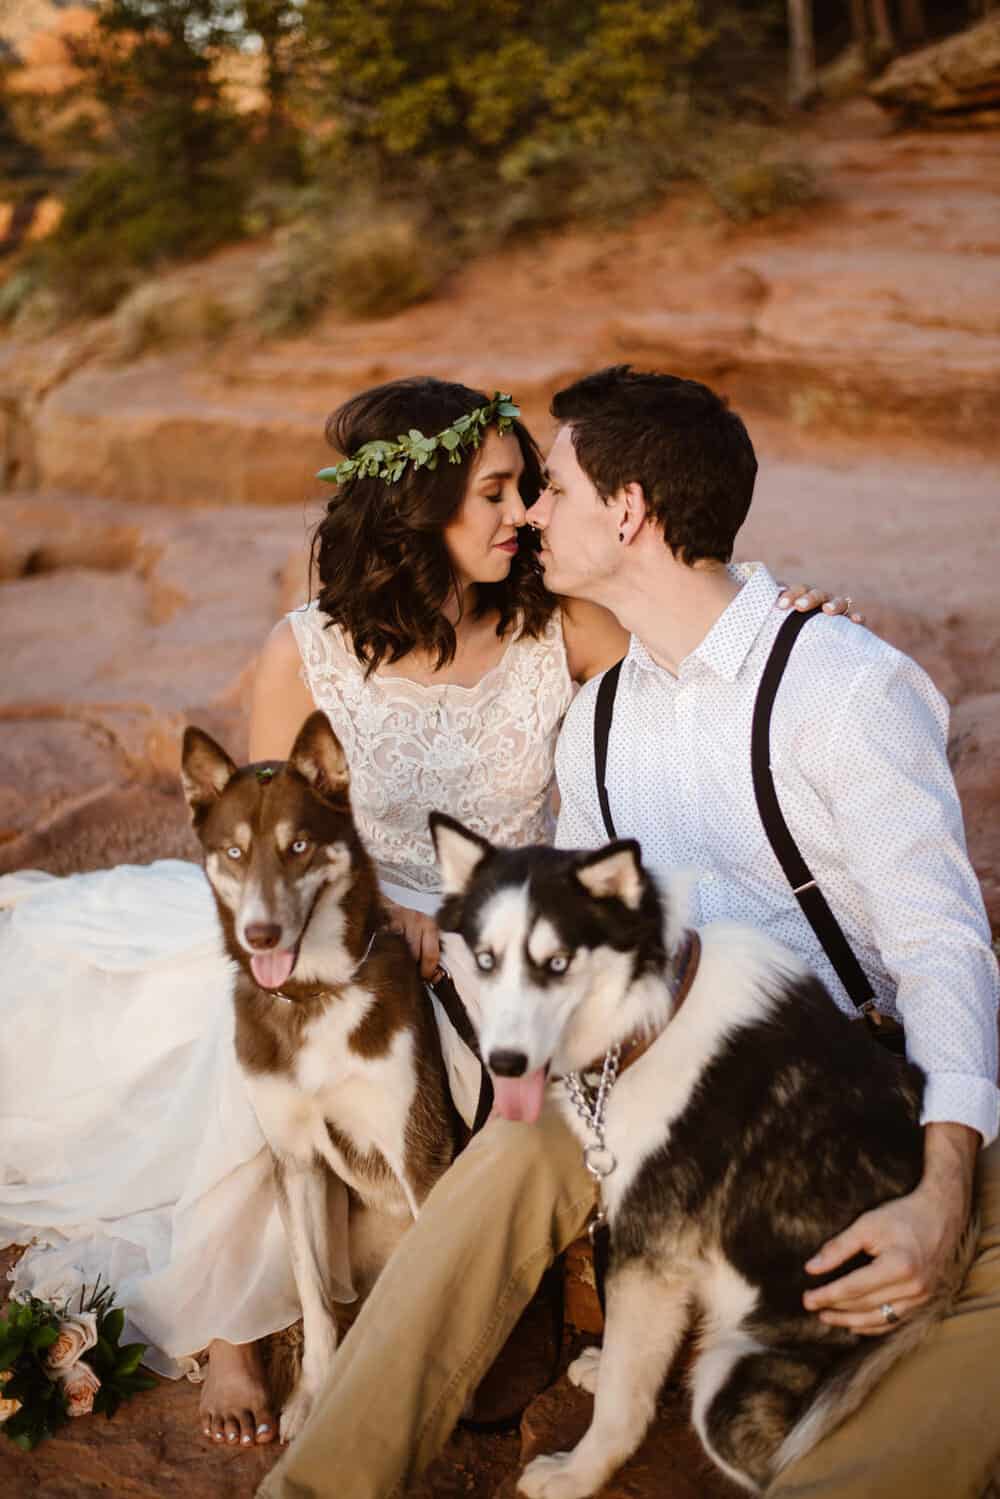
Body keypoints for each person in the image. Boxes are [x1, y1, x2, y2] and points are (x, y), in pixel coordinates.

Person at [0, 373, 848, 1454]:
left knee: (443, 1077)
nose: (522, 513)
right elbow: (265, 830)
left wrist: (795, 627)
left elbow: (697, 656)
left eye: (529, 489)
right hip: (336, 921)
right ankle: (235, 1328)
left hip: (483, 944)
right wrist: (371, 914)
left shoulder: (560, 629)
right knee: (262, 1016)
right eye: (494, 492)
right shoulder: (303, 650)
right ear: (417, 506)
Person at [258, 368, 999, 1499]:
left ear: (630, 510)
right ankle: (316, 1484)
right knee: (515, 1147)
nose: (528, 514)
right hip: (647, 1071)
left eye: (547, 487)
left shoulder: (840, 689)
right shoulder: (594, 717)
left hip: (845, 1085)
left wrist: (943, 1185)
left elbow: (944, 946)